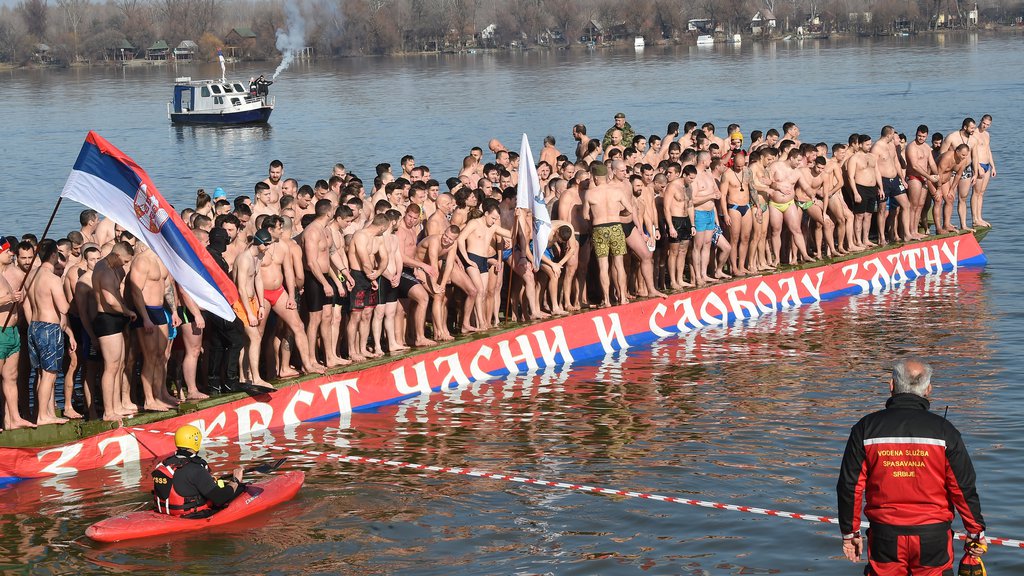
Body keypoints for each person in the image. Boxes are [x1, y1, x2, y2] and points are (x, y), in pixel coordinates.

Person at [837, 358, 987, 575]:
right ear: (928, 389)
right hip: (933, 538)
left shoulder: (865, 428)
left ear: (891, 386)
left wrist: (850, 534)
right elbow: (962, 487)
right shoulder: (945, 431)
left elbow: (850, 487)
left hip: (884, 537)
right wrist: (975, 532)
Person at [152, 424, 244, 517]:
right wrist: (235, 480)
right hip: (191, 516)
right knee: (241, 489)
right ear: (196, 442)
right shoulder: (196, 469)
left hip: (166, 512)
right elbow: (220, 498)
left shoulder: (165, 463)